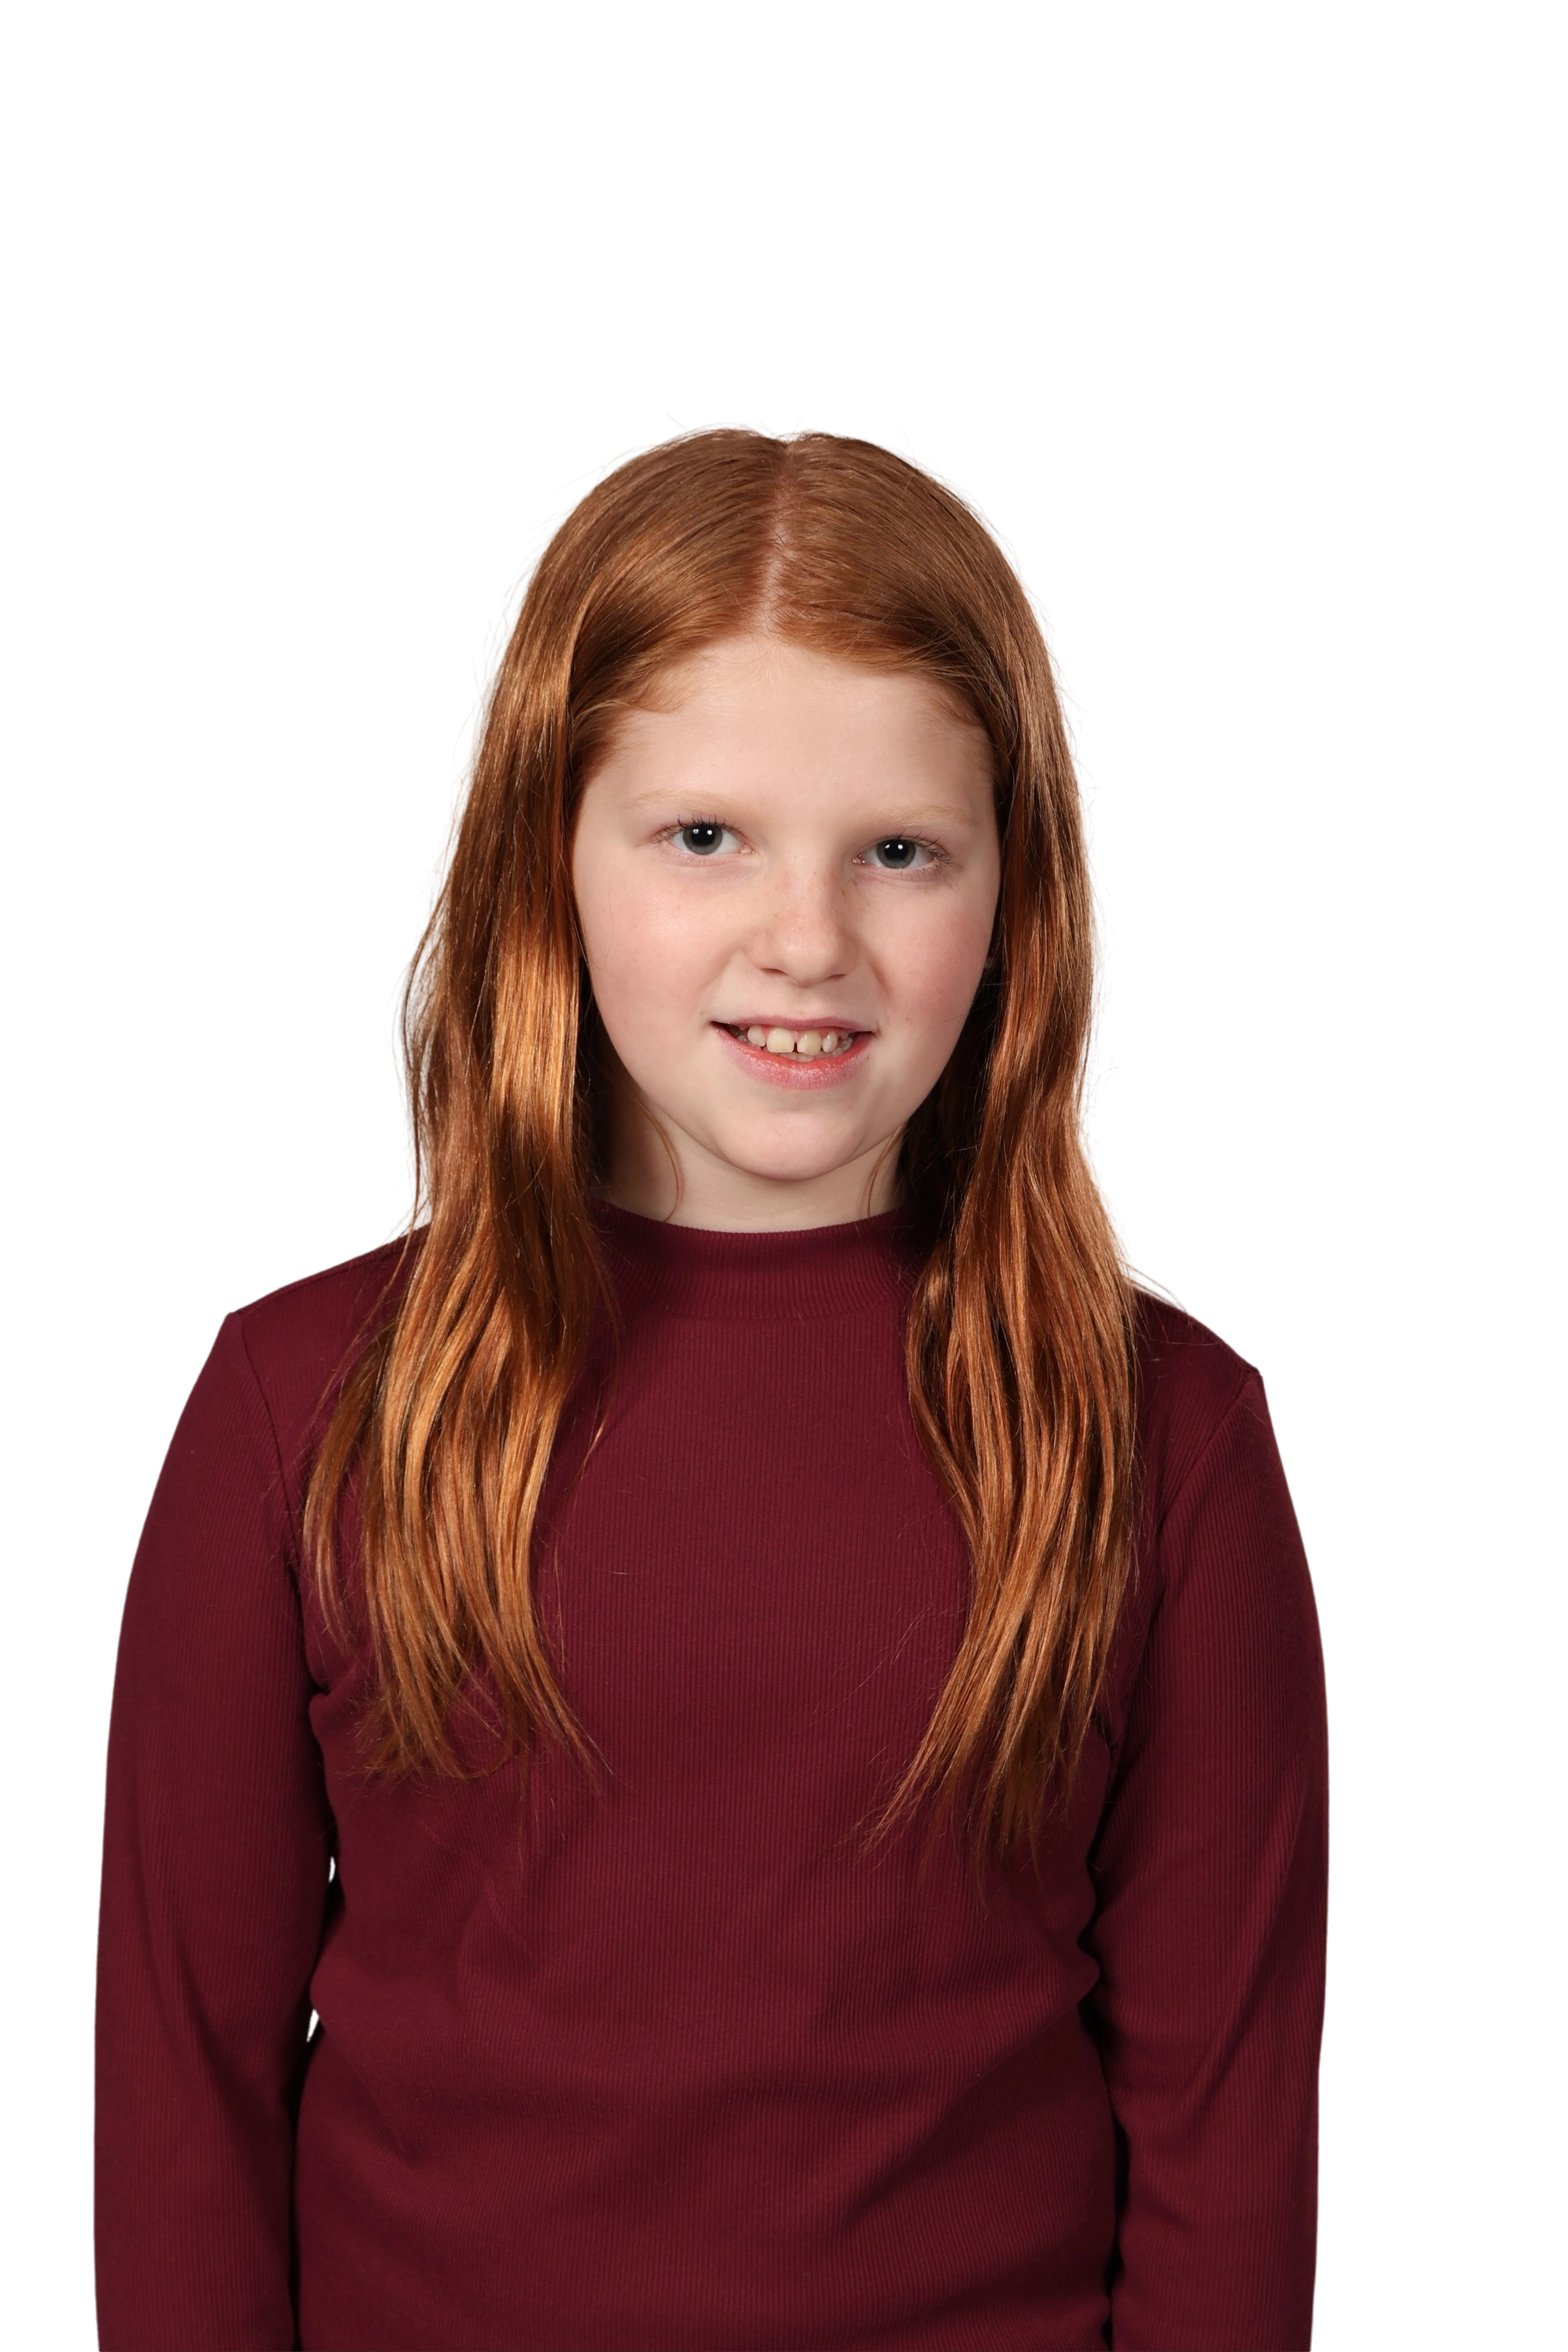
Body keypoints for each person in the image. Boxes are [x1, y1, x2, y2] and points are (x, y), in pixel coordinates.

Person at [91, 417, 1330, 2352]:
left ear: (1016, 894)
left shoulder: (1163, 1436)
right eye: (704, 838)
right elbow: (188, 2110)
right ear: (548, 860)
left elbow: (1226, 2144)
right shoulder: (298, 1405)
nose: (808, 940)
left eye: (900, 851)